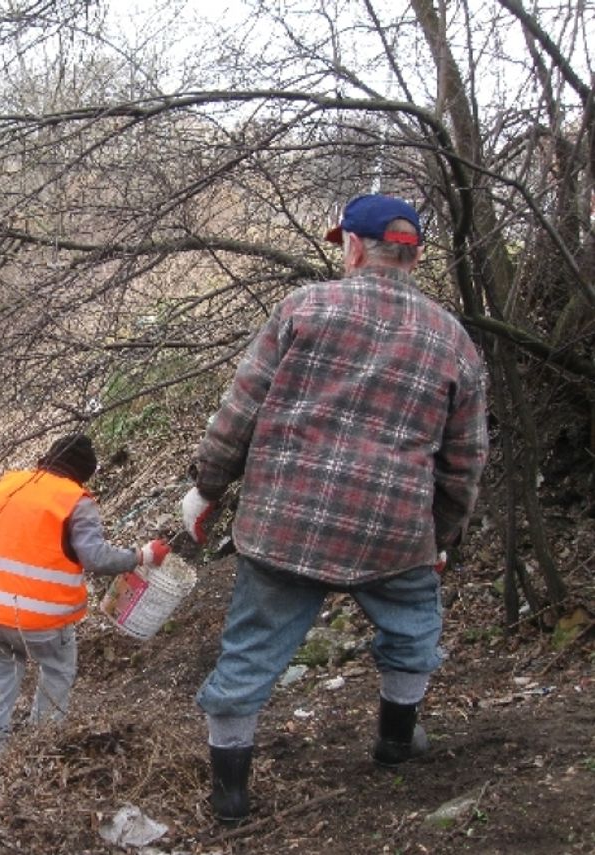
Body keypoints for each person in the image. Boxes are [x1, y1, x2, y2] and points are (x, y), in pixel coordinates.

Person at [181, 194, 489, 825]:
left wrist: (208, 487)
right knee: (411, 629)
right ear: (415, 253)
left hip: (284, 524)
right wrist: (441, 535)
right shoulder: (453, 340)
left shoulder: (303, 308)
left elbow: (240, 413)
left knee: (251, 651)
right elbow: (464, 462)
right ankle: (396, 741)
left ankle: (231, 797)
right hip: (392, 528)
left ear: (352, 246)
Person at [0, 433, 171, 753]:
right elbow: (96, 558)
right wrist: (142, 556)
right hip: (43, 621)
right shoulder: (74, 499)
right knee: (58, 673)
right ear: (80, 473)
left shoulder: (6, 486)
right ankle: (41, 751)